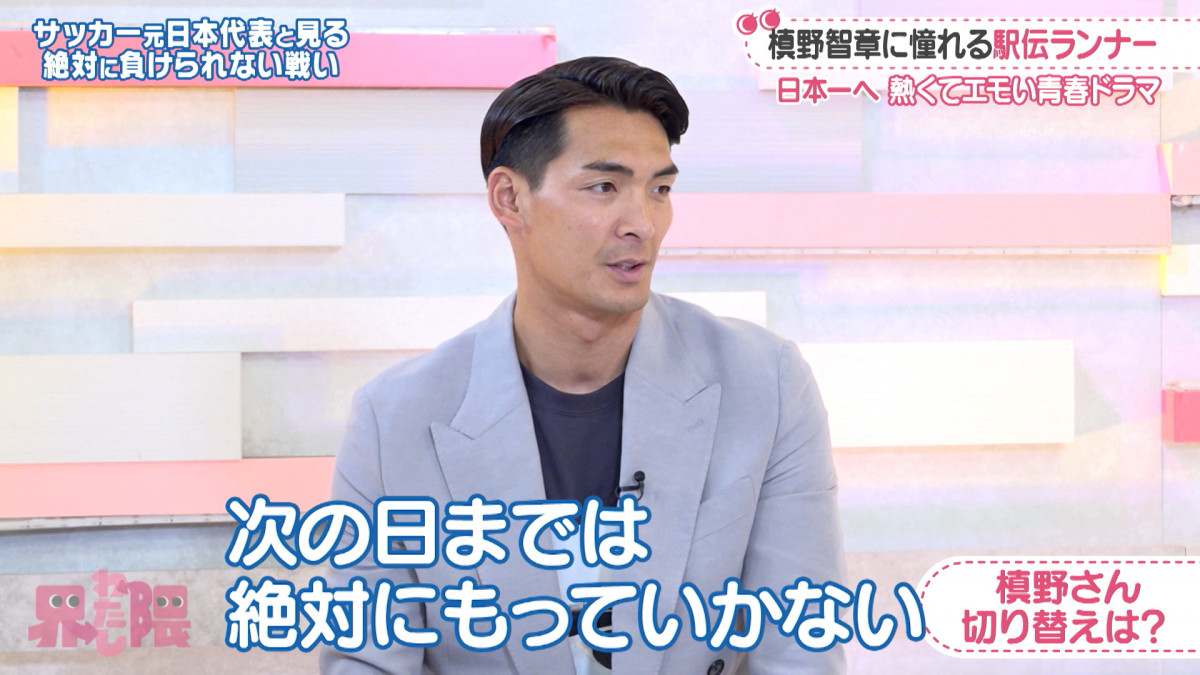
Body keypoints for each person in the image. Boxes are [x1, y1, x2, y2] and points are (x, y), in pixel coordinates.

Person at [320, 56, 846, 674]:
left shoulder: (766, 383)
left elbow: (801, 651)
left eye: (660, 190)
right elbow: (366, 661)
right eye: (604, 188)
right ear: (510, 199)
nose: (642, 224)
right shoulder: (394, 418)